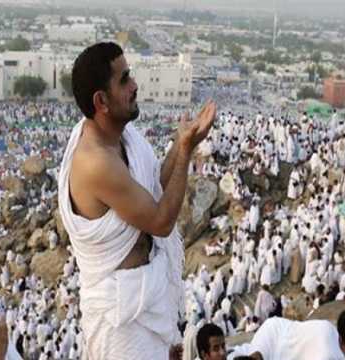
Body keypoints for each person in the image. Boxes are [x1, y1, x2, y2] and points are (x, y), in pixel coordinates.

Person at [58, 42, 216, 359]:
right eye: (125, 80)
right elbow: (159, 221)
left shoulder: (124, 139)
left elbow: (150, 188)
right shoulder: (95, 162)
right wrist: (184, 152)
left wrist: (182, 144)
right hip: (120, 320)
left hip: (146, 300)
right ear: (100, 101)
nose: (135, 86)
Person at [229, 309, 345, 360]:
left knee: (255, 353)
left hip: (274, 329)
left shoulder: (327, 326)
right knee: (256, 354)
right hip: (275, 334)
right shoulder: (335, 353)